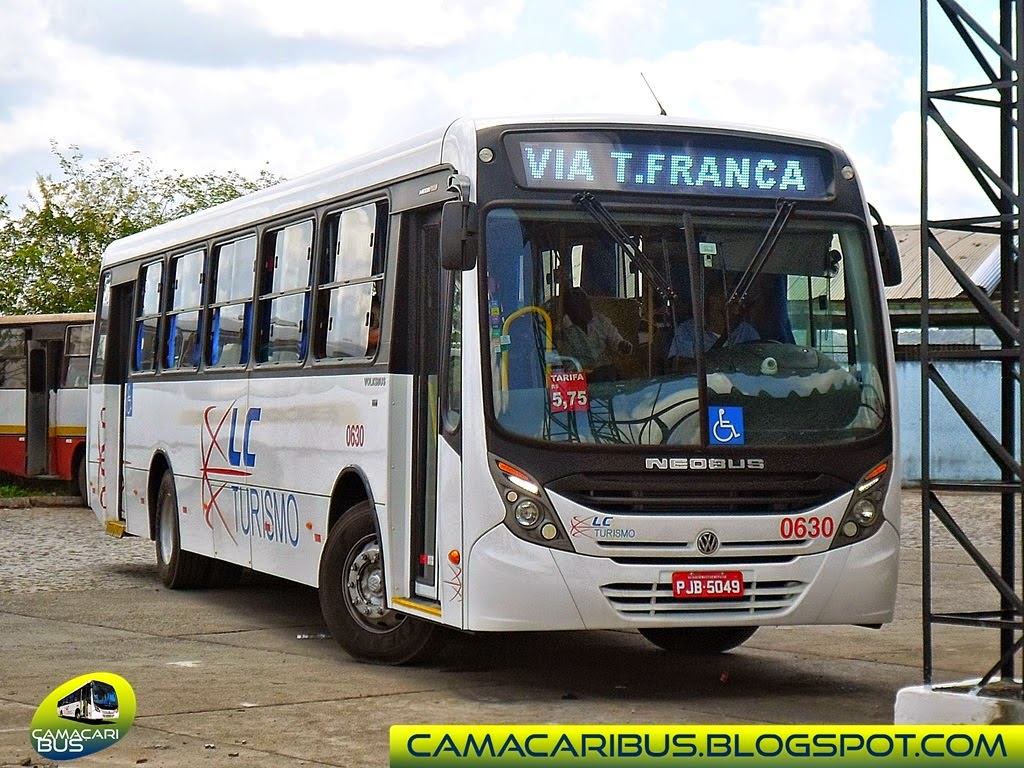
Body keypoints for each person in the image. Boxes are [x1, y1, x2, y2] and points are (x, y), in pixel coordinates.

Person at [558, 287, 632, 380]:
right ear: (570, 310)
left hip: (608, 373)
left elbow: (615, 339)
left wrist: (622, 345)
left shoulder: (601, 320)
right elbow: (567, 363)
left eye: (587, 303)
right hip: (582, 378)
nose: (587, 309)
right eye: (581, 306)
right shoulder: (563, 331)